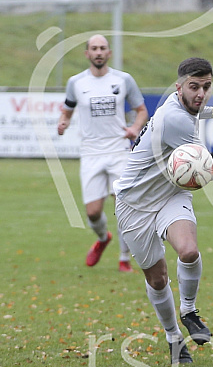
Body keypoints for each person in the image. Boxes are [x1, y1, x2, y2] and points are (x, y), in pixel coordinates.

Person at [113, 57, 213, 364]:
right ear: (179, 87)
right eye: (194, 86)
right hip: (133, 205)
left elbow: (194, 110)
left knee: (188, 251)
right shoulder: (173, 119)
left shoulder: (178, 105)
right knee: (158, 279)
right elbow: (205, 167)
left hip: (171, 195)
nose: (201, 93)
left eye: (207, 86)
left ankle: (188, 310)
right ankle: (173, 337)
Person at [57, 34, 149, 272]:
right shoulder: (76, 83)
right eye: (94, 48)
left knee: (123, 206)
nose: (98, 52)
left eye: (102, 48)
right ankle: (102, 238)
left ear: (109, 53)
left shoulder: (123, 79)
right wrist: (63, 123)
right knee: (93, 212)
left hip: (118, 150)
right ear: (87, 54)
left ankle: (124, 258)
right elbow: (66, 111)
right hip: (90, 153)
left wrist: (134, 129)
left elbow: (141, 111)